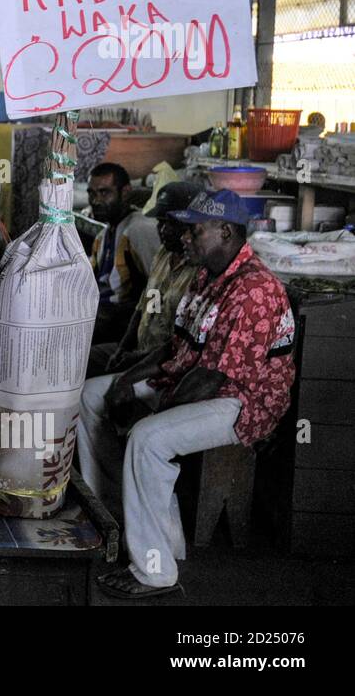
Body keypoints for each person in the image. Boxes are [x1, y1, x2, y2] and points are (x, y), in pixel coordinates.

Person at [77, 190, 295, 600]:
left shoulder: (254, 290)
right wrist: (126, 382)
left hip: (241, 402)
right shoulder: (207, 275)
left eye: (196, 232)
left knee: (148, 438)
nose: (186, 239)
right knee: (91, 396)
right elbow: (175, 348)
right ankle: (114, 517)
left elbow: (215, 377)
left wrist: (147, 414)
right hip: (192, 379)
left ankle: (155, 569)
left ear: (226, 232)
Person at [87, 181, 200, 377]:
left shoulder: (200, 270)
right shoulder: (164, 255)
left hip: (162, 365)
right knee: (79, 359)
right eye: (160, 222)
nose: (162, 230)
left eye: (171, 224)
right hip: (138, 349)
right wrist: (122, 349)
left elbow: (181, 348)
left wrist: (135, 362)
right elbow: (146, 306)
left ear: (193, 226)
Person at [87, 163, 159, 344]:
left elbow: (157, 288)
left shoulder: (139, 229)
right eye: (92, 194)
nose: (96, 201)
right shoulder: (103, 234)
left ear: (125, 192)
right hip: (98, 311)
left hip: (118, 320)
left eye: (104, 193)